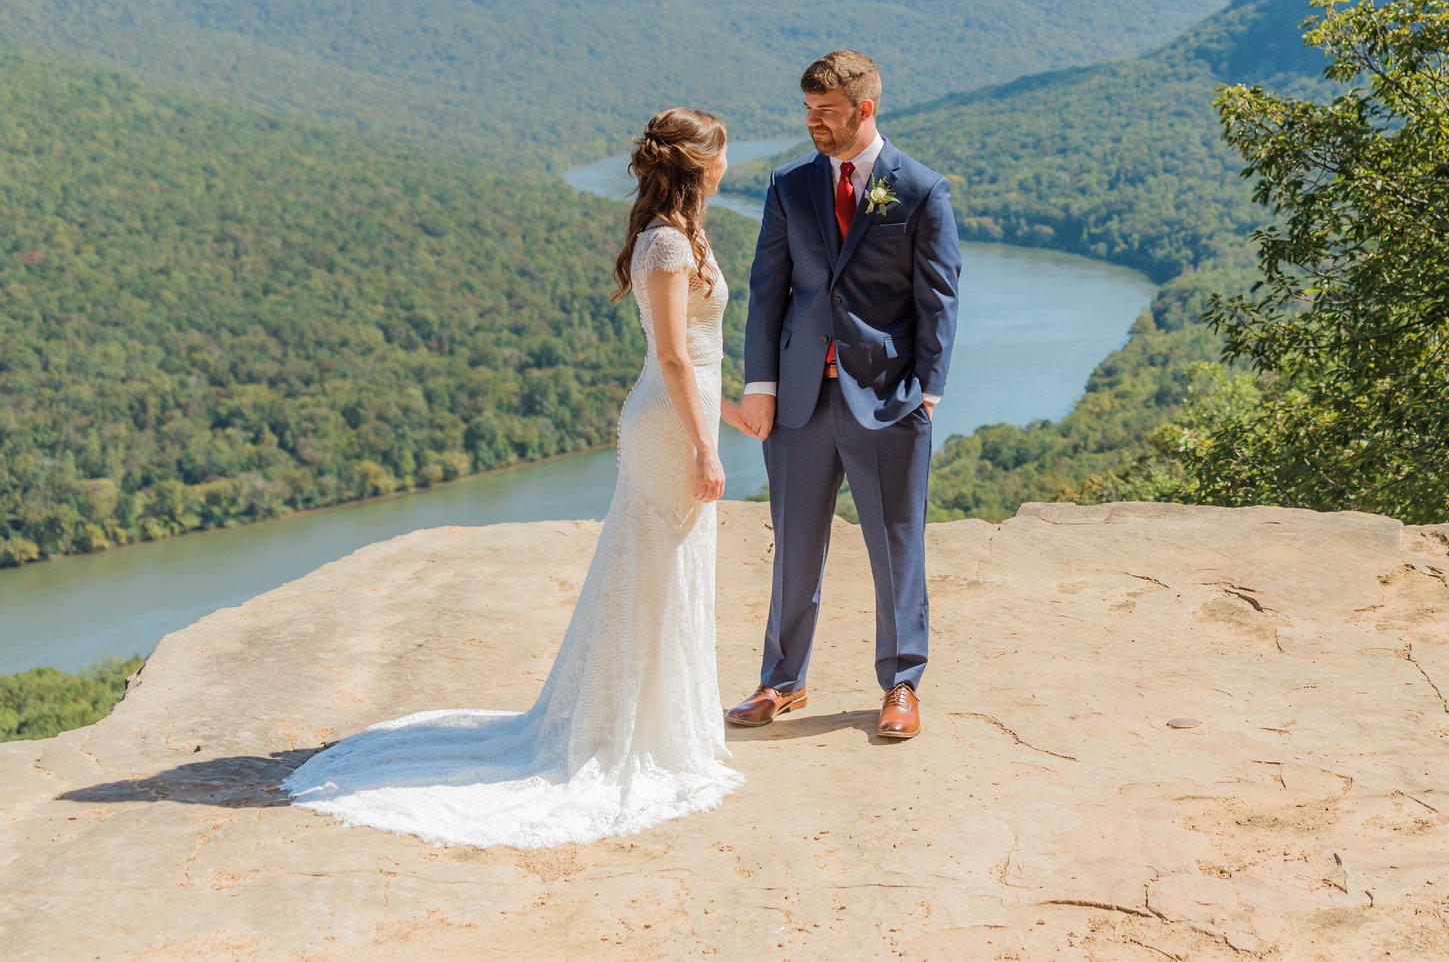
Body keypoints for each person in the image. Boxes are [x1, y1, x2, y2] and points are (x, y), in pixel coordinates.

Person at [284, 107, 743, 845]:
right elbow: (672, 357)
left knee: (672, 572)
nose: (730, 164)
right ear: (698, 164)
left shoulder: (689, 233)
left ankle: (662, 726)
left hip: (688, 417)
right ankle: (625, 731)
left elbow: (701, 349)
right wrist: (706, 445)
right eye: (722, 154)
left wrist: (735, 417)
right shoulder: (665, 242)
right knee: (653, 570)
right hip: (669, 426)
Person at [724, 49, 961, 739]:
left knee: (895, 545)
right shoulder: (789, 185)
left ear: (865, 108)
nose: (812, 123)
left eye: (826, 112)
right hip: (797, 399)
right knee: (794, 544)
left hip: (888, 398)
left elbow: (938, 301)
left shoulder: (919, 189)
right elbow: (768, 292)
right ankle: (781, 680)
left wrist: (929, 395)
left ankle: (901, 683)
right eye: (807, 110)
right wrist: (760, 386)